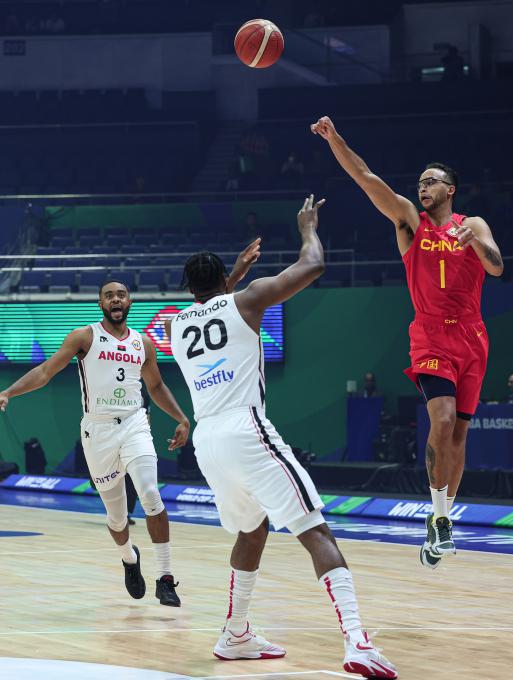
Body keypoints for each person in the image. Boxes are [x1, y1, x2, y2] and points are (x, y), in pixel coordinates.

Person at [168, 196, 397, 678]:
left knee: (252, 530)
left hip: (208, 441)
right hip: (245, 428)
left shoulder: (176, 325)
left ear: (189, 288)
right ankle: (357, 641)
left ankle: (235, 634)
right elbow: (313, 265)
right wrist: (307, 228)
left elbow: (211, 309)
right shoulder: (248, 299)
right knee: (315, 529)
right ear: (225, 281)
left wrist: (230, 277)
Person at [313, 115, 503, 571]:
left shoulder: (473, 224)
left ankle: (441, 520)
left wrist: (475, 243)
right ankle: (438, 515)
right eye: (420, 182)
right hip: (431, 334)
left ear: (450, 189)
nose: (422, 187)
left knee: (459, 434)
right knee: (441, 419)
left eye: (431, 181)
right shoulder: (409, 221)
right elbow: (365, 177)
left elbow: (497, 266)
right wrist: (335, 139)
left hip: (472, 336)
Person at [0, 279, 195, 608]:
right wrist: (8, 392)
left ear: (130, 302)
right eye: (109, 295)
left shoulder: (143, 343)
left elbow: (155, 387)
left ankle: (165, 578)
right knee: (117, 518)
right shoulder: (84, 336)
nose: (115, 299)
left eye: (121, 295)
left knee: (151, 494)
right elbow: (45, 371)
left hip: (135, 423)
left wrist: (181, 418)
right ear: (100, 304)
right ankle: (129, 558)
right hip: (98, 431)